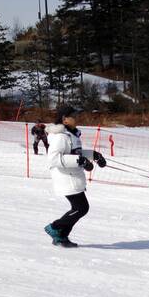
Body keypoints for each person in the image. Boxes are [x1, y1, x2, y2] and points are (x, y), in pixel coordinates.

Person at [44, 105, 106, 248]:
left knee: (80, 208)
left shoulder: (71, 134)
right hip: (66, 178)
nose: (77, 118)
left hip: (74, 177)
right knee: (81, 208)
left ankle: (61, 236)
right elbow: (53, 159)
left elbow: (76, 152)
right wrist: (80, 161)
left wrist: (94, 155)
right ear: (65, 120)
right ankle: (54, 227)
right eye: (74, 116)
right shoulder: (60, 136)